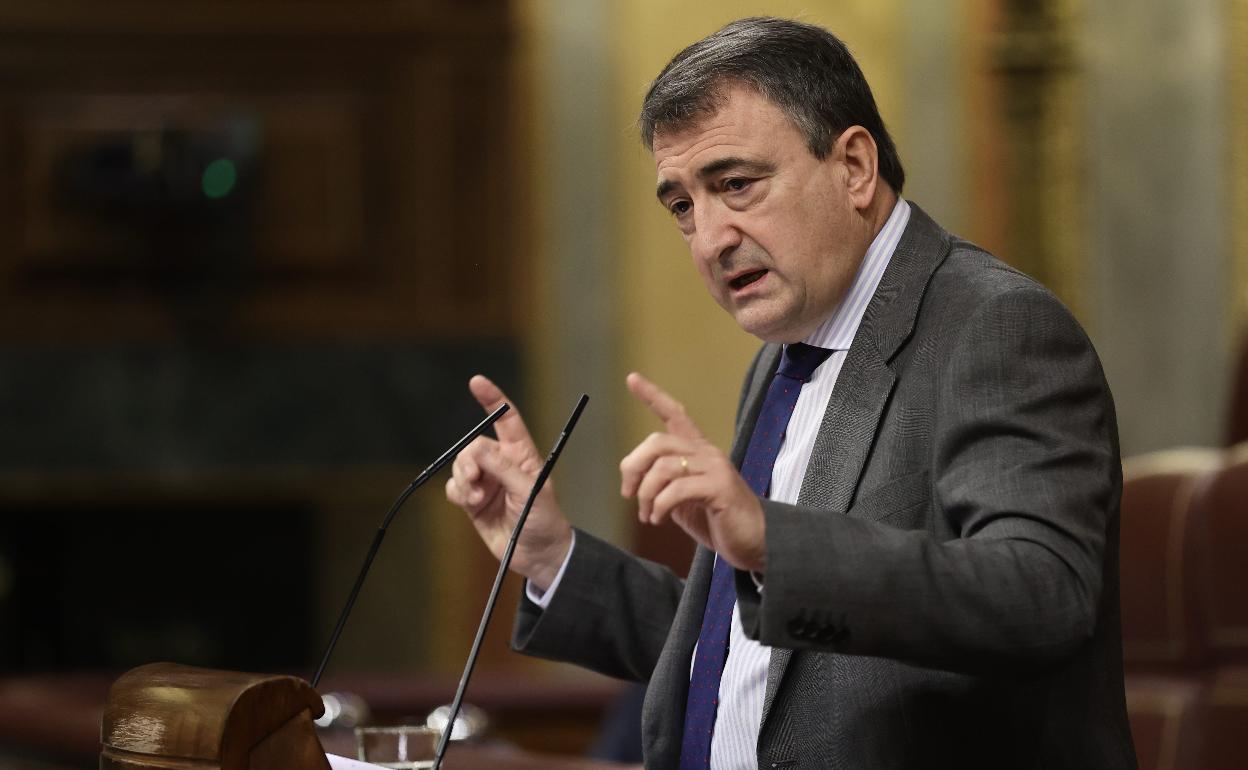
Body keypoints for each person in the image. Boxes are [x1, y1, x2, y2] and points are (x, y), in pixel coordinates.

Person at [445, 16, 1137, 770]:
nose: (709, 239)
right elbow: (755, 659)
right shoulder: (785, 359)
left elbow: (1040, 597)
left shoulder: (994, 326)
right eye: (682, 206)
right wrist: (552, 556)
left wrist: (773, 543)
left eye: (736, 185)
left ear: (854, 168)